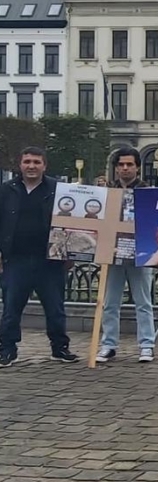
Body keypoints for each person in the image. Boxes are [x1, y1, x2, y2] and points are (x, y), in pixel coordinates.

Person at [0, 147, 77, 367]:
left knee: (55, 308)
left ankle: (59, 348)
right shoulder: (6, 190)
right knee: (11, 309)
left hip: (50, 259)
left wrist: (71, 252)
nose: (31, 166)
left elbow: (72, 221)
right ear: (20, 164)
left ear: (45, 165)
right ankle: (7, 350)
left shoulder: (58, 189)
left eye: (36, 162)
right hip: (16, 259)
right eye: (27, 162)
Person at [96, 148, 157, 364]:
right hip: (112, 252)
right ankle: (108, 344)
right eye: (121, 165)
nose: (125, 168)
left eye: (129, 164)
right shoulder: (107, 191)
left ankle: (147, 345)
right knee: (110, 302)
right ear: (115, 168)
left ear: (137, 167)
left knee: (143, 302)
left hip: (139, 252)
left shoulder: (146, 191)